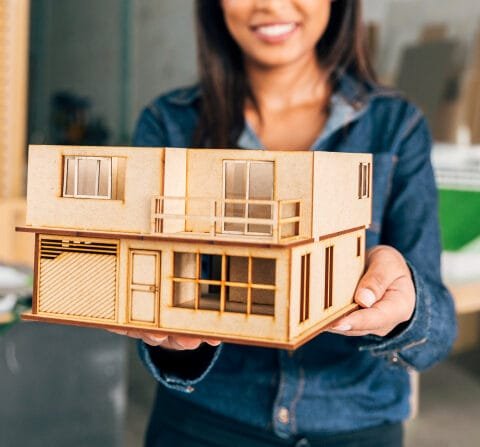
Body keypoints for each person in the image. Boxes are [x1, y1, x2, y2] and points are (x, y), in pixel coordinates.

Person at [114, 1, 457, 445]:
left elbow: (439, 330)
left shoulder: (396, 125)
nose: (271, 5)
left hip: (354, 423)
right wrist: (169, 339)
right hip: (203, 421)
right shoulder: (169, 124)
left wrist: (407, 306)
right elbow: (148, 308)